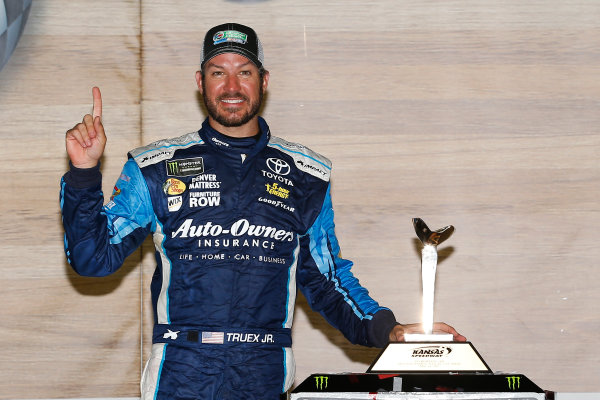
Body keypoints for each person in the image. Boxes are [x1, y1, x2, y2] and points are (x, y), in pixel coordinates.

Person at [61, 22, 465, 400]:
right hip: (180, 374)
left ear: (264, 81)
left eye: (245, 72)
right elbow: (92, 259)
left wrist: (387, 329)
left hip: (265, 372)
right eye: (218, 72)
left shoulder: (307, 175)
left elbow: (327, 280)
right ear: (200, 82)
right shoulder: (155, 166)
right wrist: (83, 173)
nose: (231, 86)